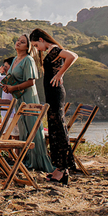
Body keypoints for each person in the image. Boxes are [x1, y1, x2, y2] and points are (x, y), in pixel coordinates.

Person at [30, 28, 79, 182]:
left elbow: (73, 56)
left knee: (58, 130)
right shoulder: (51, 50)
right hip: (52, 93)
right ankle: (60, 168)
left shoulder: (53, 49)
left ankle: (62, 169)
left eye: (36, 45)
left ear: (41, 39)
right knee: (55, 129)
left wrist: (60, 74)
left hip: (56, 93)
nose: (37, 48)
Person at [1, 34, 53, 173]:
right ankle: (27, 160)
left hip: (28, 98)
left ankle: (38, 161)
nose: (18, 43)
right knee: (23, 128)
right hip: (18, 99)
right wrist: (7, 86)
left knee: (32, 128)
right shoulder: (15, 60)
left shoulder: (28, 60)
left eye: (22, 42)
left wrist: (14, 88)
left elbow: (31, 82)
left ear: (28, 47)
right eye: (18, 40)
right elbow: (12, 77)